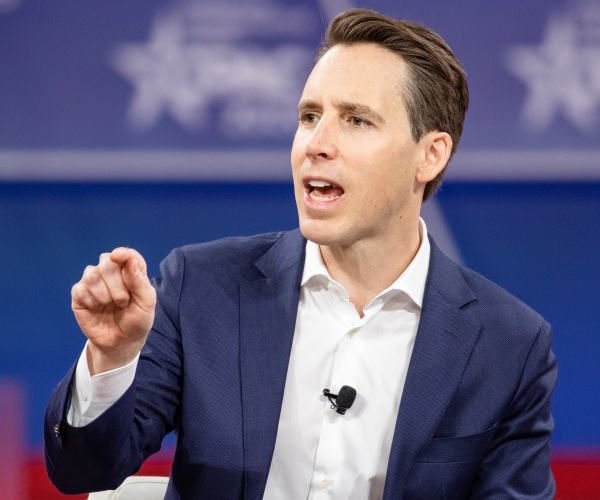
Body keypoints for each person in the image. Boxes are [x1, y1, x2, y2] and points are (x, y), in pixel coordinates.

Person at [44, 8, 557, 499]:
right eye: (310, 115)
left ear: (430, 154)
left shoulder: (507, 346)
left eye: (356, 120)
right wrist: (112, 359)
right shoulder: (202, 287)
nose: (316, 142)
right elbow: (82, 470)